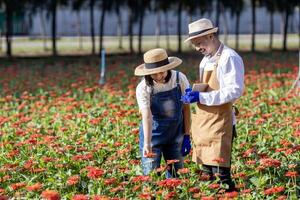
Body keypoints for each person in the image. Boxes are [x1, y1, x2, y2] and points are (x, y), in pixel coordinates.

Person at [181, 18, 244, 191]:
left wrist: (201, 97)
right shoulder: (206, 60)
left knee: (221, 174)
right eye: (194, 44)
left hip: (221, 123)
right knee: (206, 173)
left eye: (199, 43)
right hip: (205, 123)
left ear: (210, 36)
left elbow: (234, 91)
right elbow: (209, 86)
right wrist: (194, 92)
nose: (197, 48)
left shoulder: (229, 57)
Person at [135, 48, 191, 178]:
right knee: (151, 178)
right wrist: (147, 143)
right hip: (153, 135)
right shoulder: (143, 88)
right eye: (154, 74)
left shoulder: (179, 79)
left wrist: (187, 135)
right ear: (148, 73)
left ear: (168, 68)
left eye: (162, 72)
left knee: (177, 177)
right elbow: (147, 116)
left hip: (176, 134)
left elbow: (186, 109)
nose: (159, 76)